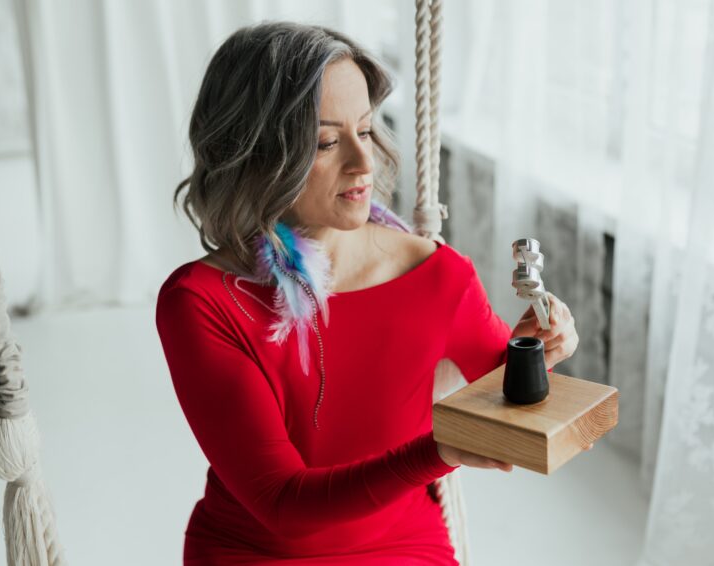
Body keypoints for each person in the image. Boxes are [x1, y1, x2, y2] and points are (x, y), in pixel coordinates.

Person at [156, 21, 580, 565]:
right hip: (258, 552)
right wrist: (438, 451)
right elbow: (281, 503)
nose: (364, 162)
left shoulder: (436, 274)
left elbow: (518, 402)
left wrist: (541, 349)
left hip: (405, 543)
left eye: (365, 129)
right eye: (327, 142)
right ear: (254, 153)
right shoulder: (200, 302)